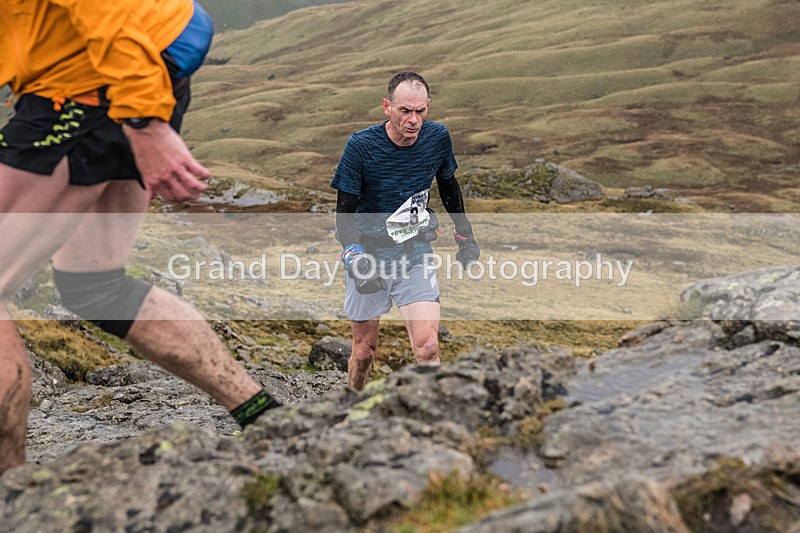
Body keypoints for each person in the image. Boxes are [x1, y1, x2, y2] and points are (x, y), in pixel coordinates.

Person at [0, 0, 280, 475]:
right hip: (128, 73)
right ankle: (266, 418)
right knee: (97, 285)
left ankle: (11, 495)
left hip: (95, 87)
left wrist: (143, 121)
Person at [331, 71, 480, 390]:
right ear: (387, 107)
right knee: (365, 352)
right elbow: (344, 212)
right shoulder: (361, 146)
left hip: (413, 252)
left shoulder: (437, 138)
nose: (413, 120)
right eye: (405, 111)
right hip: (368, 253)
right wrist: (353, 255)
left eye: (420, 111)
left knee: (427, 348)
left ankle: (433, 419)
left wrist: (465, 235)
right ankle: (351, 403)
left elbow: (449, 185)